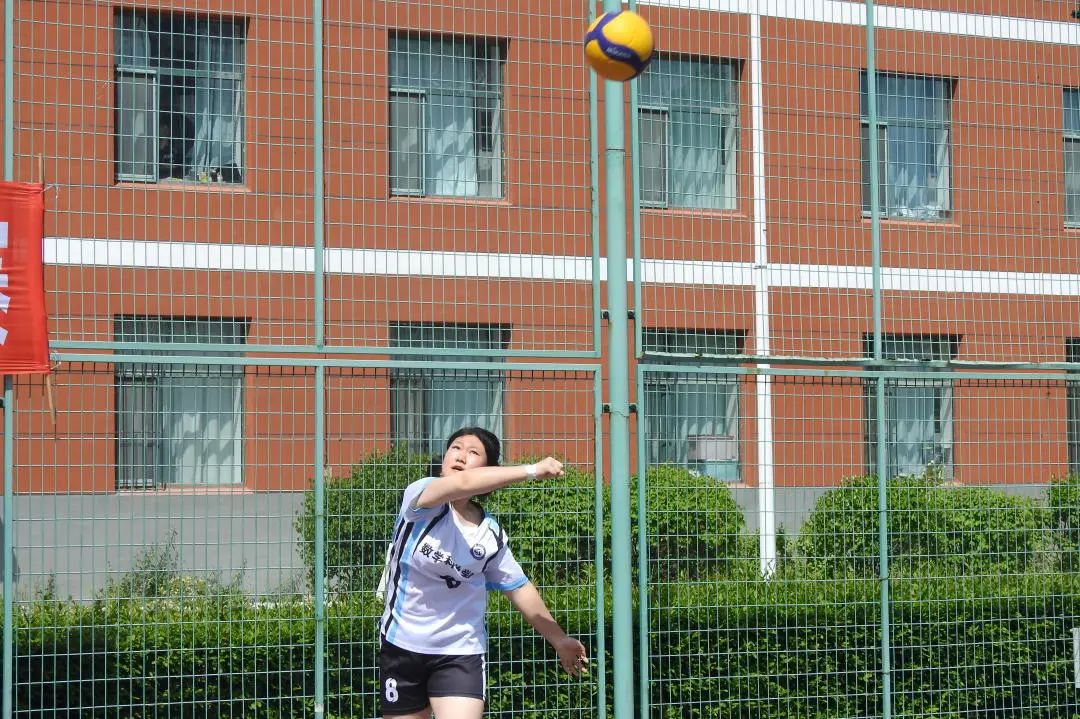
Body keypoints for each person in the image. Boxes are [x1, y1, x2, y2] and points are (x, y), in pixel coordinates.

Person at [378, 427, 589, 719]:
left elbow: (519, 588)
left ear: (489, 469)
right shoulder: (421, 496)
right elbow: (463, 482)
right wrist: (532, 470)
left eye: (473, 452)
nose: (461, 456)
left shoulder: (490, 535)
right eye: (456, 447)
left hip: (460, 651)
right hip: (402, 646)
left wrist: (559, 639)